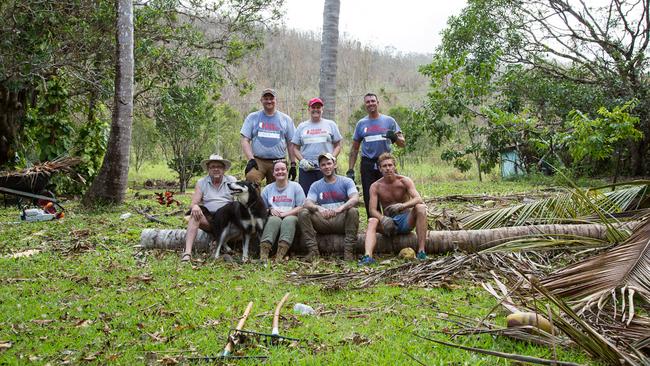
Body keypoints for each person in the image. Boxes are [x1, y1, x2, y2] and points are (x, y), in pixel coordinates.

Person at [358, 152, 428, 265]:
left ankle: (421, 251)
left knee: (421, 208)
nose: (388, 168)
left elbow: (418, 199)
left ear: (395, 166)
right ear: (380, 169)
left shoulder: (404, 181)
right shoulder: (375, 186)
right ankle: (368, 256)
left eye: (390, 165)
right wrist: (383, 219)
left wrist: (402, 206)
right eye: (384, 166)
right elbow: (372, 210)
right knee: (372, 220)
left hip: (406, 221)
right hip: (388, 224)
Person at [348, 93, 405, 214]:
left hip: (386, 163)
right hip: (367, 164)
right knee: (370, 196)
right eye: (368, 102)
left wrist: (394, 138)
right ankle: (375, 225)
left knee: (390, 193)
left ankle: (393, 222)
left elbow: (402, 143)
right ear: (365, 105)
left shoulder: (389, 121)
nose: (371, 104)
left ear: (378, 103)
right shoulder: (361, 124)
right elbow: (354, 149)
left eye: (373, 101)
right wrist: (351, 169)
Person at [298, 153, 359, 261]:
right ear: (320, 168)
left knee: (353, 211)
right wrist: (319, 208)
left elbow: (355, 198)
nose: (326, 167)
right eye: (323, 165)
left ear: (335, 164)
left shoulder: (346, 181)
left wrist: (340, 208)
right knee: (303, 213)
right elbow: (307, 202)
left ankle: (349, 252)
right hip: (323, 221)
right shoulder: (316, 185)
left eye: (329, 163)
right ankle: (313, 251)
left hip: (341, 220)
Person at [181, 154, 236, 262]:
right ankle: (187, 253)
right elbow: (193, 203)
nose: (216, 169)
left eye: (219, 167)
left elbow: (238, 200)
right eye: (212, 167)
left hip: (228, 220)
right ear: (208, 169)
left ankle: (220, 242)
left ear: (224, 169)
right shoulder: (201, 182)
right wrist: (195, 206)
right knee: (194, 215)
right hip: (209, 218)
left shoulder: (231, 180)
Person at [241, 88, 297, 186]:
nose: (269, 101)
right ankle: (257, 201)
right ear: (261, 100)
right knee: (251, 178)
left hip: (278, 160)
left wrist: (293, 164)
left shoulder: (285, 119)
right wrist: (250, 159)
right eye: (266, 98)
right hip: (258, 160)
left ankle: (273, 201)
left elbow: (291, 143)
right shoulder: (253, 117)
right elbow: (245, 140)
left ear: (276, 100)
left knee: (278, 186)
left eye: (271, 98)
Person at [291, 97, 343, 195]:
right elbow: (295, 148)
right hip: (307, 169)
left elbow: (338, 146)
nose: (316, 109)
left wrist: (332, 158)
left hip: (326, 168)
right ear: (309, 109)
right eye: (313, 107)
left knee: (327, 195)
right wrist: (302, 161)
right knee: (307, 196)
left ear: (322, 109)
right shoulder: (302, 126)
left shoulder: (331, 125)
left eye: (318, 107)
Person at [259, 160, 306, 262]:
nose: (280, 172)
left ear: (287, 171)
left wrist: (285, 214)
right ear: (273, 173)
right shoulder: (267, 189)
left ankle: (280, 255)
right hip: (274, 217)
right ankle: (264, 254)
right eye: (277, 170)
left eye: (283, 169)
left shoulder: (295, 187)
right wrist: (270, 209)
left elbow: (301, 206)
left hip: (293, 216)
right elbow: (262, 208)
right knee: (273, 220)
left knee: (288, 220)